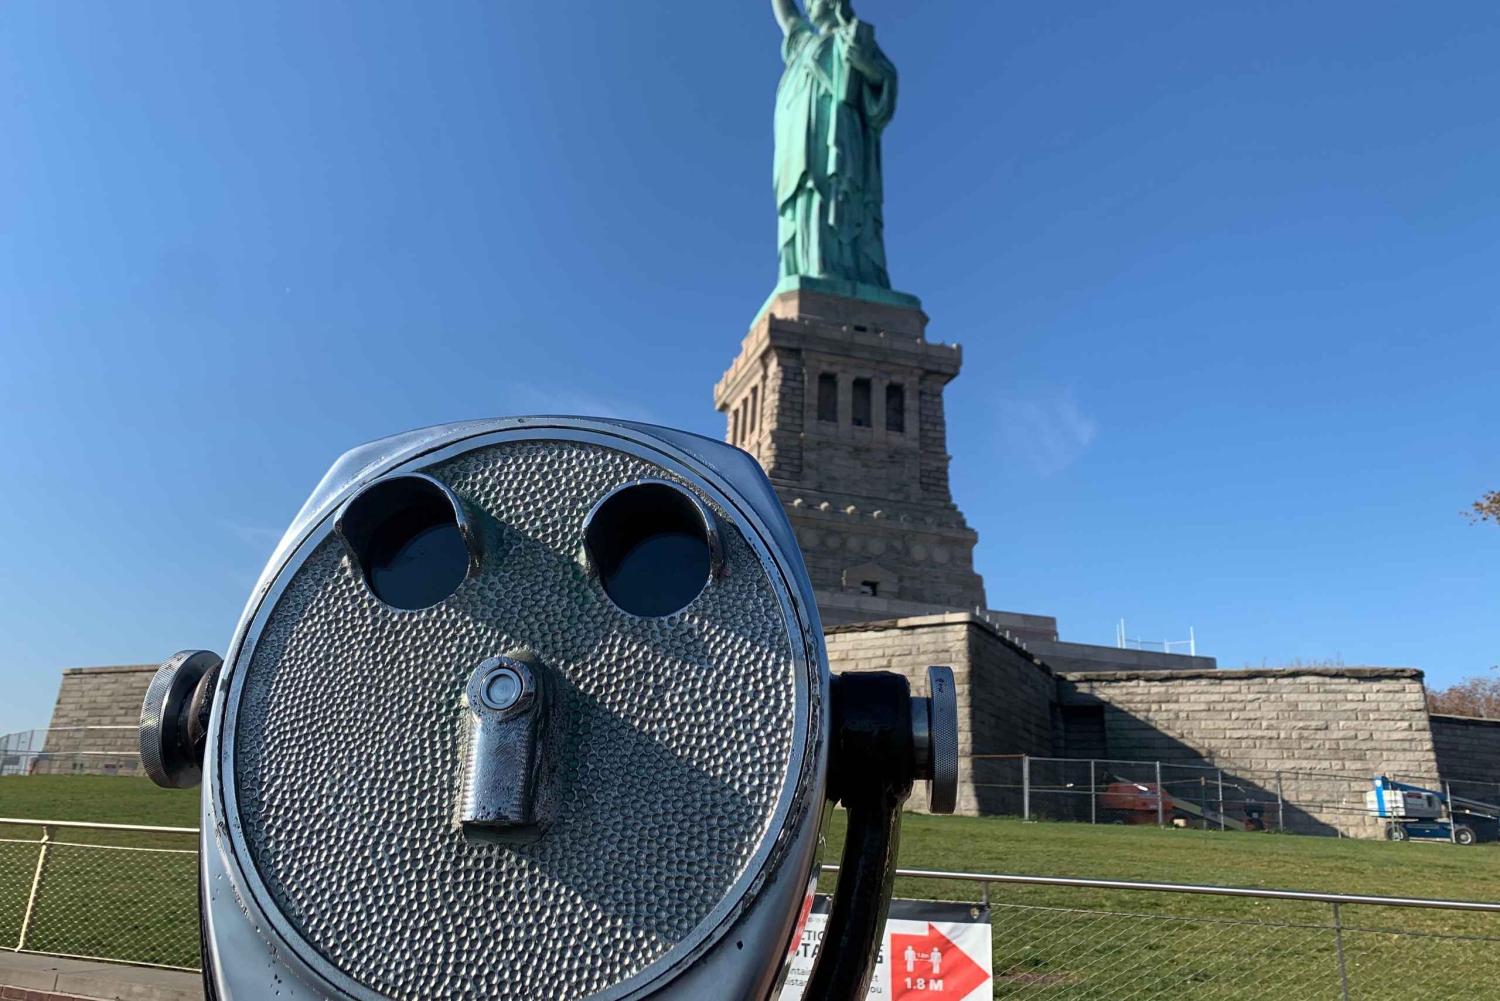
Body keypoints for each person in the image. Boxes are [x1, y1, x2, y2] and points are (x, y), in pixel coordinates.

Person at [768, 0, 898, 289]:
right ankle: (810, 266)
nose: (807, 4)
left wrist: (867, 67)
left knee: (833, 201)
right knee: (805, 203)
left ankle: (840, 273)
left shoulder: (852, 38)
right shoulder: (802, 44)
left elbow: (885, 83)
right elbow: (787, 15)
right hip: (798, 154)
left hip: (839, 145)